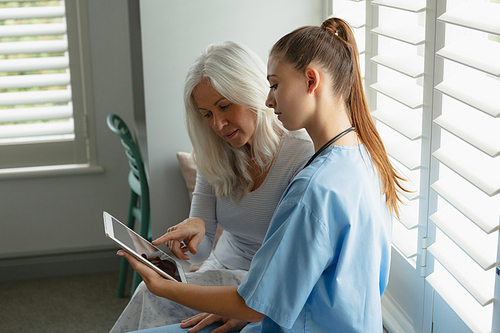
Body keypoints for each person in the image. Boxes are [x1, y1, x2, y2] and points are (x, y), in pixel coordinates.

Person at [118, 17, 408, 333]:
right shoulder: (366, 159)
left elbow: (255, 304)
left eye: (274, 85)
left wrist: (165, 287)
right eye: (207, 115)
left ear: (311, 81)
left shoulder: (312, 187)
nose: (268, 100)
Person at [110, 41, 314, 332]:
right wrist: (191, 237)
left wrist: (250, 308)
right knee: (152, 294)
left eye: (224, 106)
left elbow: (296, 263)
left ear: (252, 92)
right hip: (219, 269)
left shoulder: (300, 155)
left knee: (151, 297)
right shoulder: (215, 152)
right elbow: (202, 252)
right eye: (207, 114)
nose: (218, 124)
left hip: (264, 283)